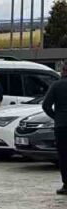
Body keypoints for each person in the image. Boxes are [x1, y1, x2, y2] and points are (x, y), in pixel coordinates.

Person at [42, 64, 67, 195]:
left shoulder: (56, 85)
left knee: (63, 155)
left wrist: (56, 117)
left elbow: (46, 105)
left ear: (63, 71)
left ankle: (66, 184)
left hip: (62, 125)